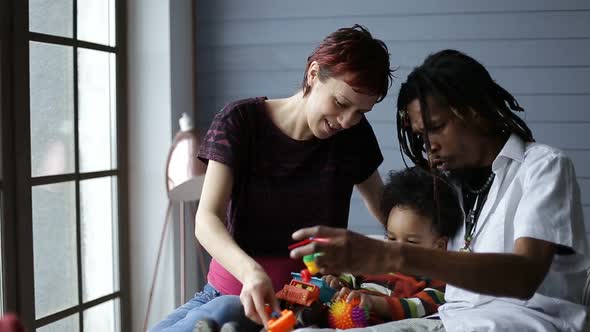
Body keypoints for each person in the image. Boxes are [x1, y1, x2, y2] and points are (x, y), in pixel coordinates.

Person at [290, 49, 590, 331]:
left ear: (472, 111)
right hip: (450, 320)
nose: (428, 145)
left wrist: (392, 254)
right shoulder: (449, 188)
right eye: (421, 135)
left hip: (526, 323)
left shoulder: (543, 167)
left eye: (436, 126)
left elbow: (525, 275)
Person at [149, 24, 393, 332]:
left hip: (304, 308)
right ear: (314, 74)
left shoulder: (353, 137)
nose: (347, 121)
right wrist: (252, 273)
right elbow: (206, 220)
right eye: (341, 103)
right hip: (225, 295)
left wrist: (428, 251)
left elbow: (388, 213)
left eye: (360, 112)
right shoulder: (240, 122)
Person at [323, 167, 461, 325]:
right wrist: (335, 283)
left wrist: (373, 302)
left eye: (411, 242)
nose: (397, 250)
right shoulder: (373, 263)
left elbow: (418, 306)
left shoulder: (437, 281)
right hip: (340, 318)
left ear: (439, 246)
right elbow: (348, 279)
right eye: (391, 238)